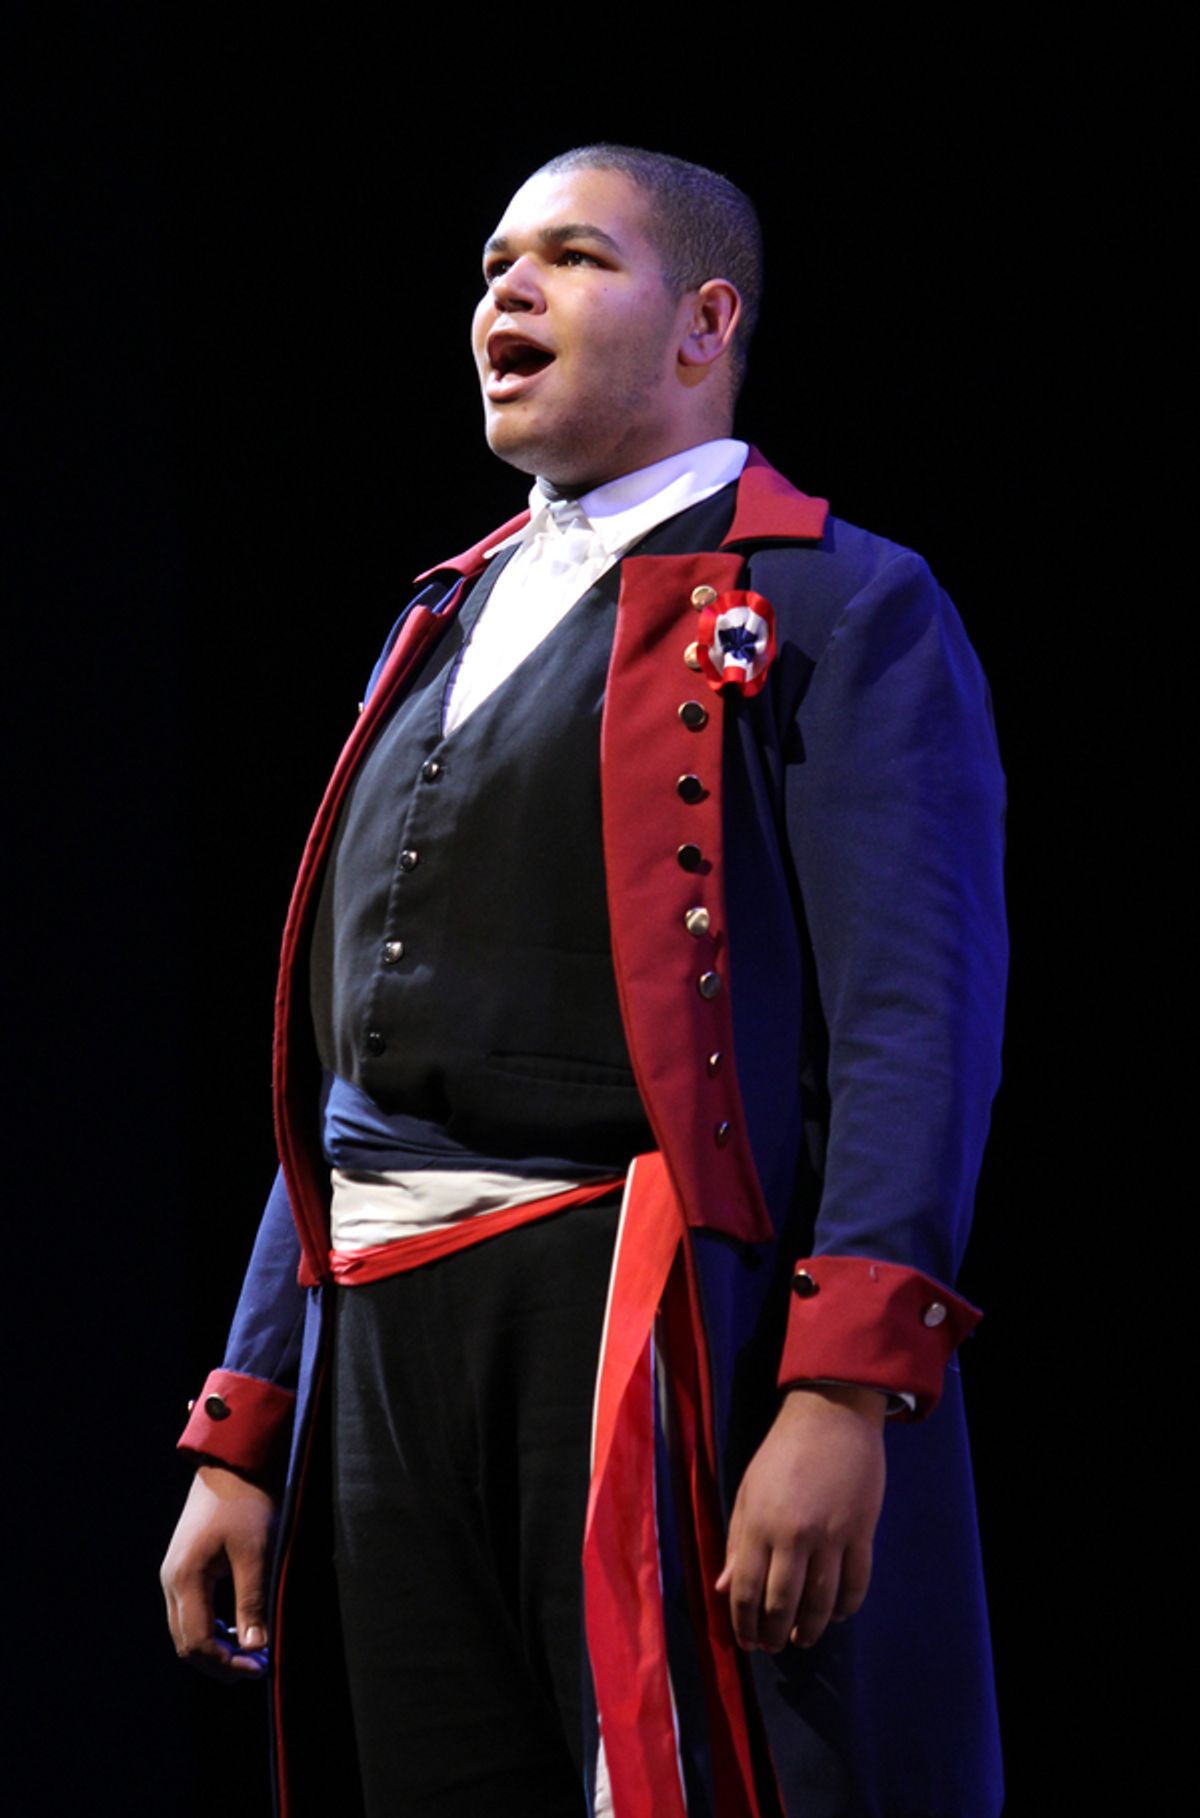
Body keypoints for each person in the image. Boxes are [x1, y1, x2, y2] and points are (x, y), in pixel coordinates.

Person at [162, 145, 1008, 1818]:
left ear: (705, 322)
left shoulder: (841, 599)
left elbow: (915, 1026)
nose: (505, 291)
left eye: (568, 257)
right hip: (391, 1337)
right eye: (491, 263)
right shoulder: (442, 613)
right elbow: (342, 1059)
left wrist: (844, 1391)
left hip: (645, 1317)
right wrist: (246, 1422)